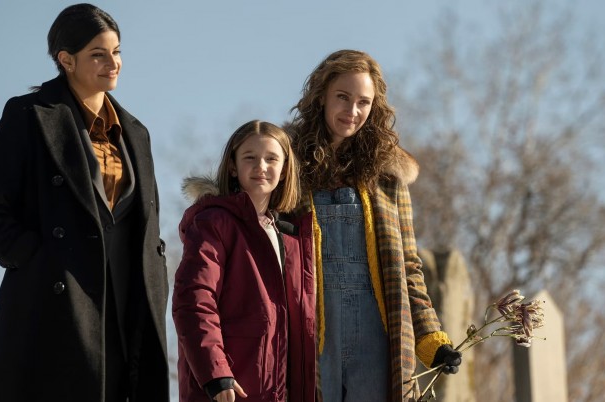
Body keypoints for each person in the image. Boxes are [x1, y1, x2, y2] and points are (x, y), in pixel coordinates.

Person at [0, 4, 169, 401]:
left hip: (129, 307)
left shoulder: (136, 133)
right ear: (66, 60)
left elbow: (146, 225)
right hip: (55, 308)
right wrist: (37, 260)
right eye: (98, 54)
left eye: (117, 51)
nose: (113, 63)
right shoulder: (29, 115)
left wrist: (156, 279)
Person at [287, 49, 462, 402]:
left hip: (377, 341)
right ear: (321, 96)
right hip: (309, 336)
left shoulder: (387, 176)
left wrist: (432, 339)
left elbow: (408, 267)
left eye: (363, 102)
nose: (352, 111)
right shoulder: (286, 164)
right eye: (342, 97)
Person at [172, 120, 316, 402]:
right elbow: (194, 298)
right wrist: (215, 373)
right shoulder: (213, 222)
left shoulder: (291, 237)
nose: (261, 166)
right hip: (227, 388)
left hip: (278, 391)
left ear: (285, 169)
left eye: (271, 158)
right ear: (233, 167)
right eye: (250, 157)